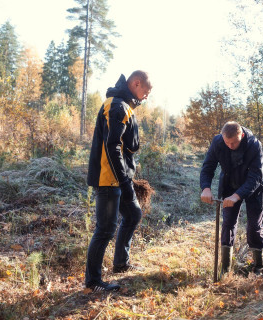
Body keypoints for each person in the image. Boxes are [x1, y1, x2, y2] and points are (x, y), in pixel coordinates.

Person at [85, 70, 152, 292]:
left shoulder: (125, 105)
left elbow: (125, 146)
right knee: (105, 229)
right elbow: (112, 146)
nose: (146, 96)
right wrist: (123, 180)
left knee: (133, 214)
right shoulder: (116, 106)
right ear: (136, 83)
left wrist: (127, 177)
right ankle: (93, 282)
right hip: (109, 179)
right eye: (146, 91)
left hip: (120, 177)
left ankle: (120, 263)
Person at [200, 121, 263, 276]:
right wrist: (206, 188)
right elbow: (208, 166)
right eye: (227, 143)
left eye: (234, 143)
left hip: (255, 187)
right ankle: (225, 267)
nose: (230, 146)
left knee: (253, 225)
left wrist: (237, 196)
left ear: (242, 135)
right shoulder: (218, 142)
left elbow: (255, 177)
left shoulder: (254, 145)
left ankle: (258, 265)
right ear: (222, 138)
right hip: (230, 183)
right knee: (228, 223)